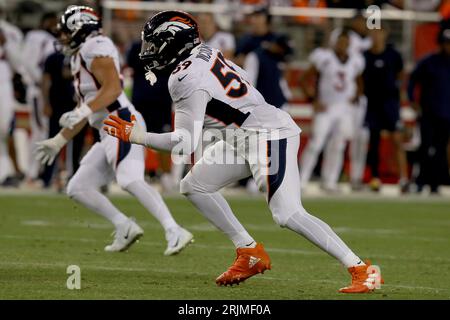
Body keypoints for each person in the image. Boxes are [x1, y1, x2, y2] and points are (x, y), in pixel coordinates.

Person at [104, 11, 382, 293]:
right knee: (194, 185)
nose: (149, 51)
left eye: (154, 43)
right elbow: (244, 77)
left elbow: (183, 143)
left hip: (268, 135)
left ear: (173, 42)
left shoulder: (183, 77)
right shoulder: (206, 51)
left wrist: (137, 136)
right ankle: (248, 252)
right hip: (244, 136)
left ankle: (361, 269)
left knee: (287, 213)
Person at [35, 6, 193, 255]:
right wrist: (58, 140)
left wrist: (83, 112)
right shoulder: (79, 56)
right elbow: (87, 107)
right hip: (105, 128)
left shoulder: (94, 45)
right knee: (78, 188)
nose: (62, 37)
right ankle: (125, 226)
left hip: (120, 123)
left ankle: (174, 230)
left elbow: (113, 89)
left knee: (129, 180)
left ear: (80, 29)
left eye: (66, 31)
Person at [299, 30, 365, 192]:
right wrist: (313, 99)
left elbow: (358, 80)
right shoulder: (325, 58)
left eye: (345, 42)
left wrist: (356, 95)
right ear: (334, 42)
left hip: (344, 108)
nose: (343, 45)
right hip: (326, 107)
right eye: (340, 42)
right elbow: (303, 79)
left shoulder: (356, 61)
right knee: (316, 143)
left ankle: (330, 181)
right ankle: (301, 180)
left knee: (338, 145)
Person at [364, 27, 409, 193]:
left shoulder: (393, 55)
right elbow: (360, 78)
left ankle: (403, 178)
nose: (376, 36)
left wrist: (399, 94)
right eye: (374, 33)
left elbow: (401, 74)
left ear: (385, 34)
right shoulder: (365, 55)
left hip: (390, 103)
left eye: (379, 32)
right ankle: (375, 178)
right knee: (374, 141)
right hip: (372, 104)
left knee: (397, 139)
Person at [330, 14, 372, 189]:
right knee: (338, 139)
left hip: (355, 98)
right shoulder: (341, 33)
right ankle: (337, 175)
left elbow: (376, 33)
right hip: (341, 97)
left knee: (359, 138)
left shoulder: (363, 46)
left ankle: (355, 176)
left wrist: (374, 12)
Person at [408, 24, 450, 194]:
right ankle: (420, 181)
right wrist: (412, 101)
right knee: (425, 147)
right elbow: (412, 82)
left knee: (440, 150)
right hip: (428, 113)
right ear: (441, 43)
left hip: (447, 115)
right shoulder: (429, 61)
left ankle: (435, 183)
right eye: (446, 43)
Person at [22, 12, 58, 183]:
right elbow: (28, 63)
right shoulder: (38, 37)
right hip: (38, 91)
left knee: (44, 132)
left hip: (46, 91)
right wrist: (39, 81)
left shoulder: (49, 40)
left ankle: (41, 172)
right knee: (39, 132)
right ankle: (32, 172)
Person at [0, 5, 25, 186]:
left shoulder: (10, 32)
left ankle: (7, 172)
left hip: (2, 80)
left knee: (4, 127)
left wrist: (5, 43)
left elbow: (18, 64)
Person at [244, 33, 293, 109]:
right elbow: (249, 82)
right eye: (282, 49)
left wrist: (287, 95)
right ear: (276, 45)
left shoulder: (279, 58)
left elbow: (280, 80)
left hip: (280, 105)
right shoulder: (255, 56)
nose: (283, 52)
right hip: (262, 107)